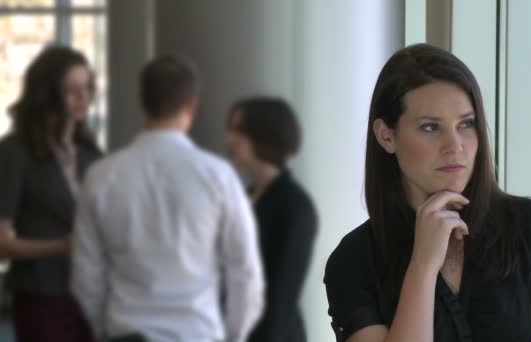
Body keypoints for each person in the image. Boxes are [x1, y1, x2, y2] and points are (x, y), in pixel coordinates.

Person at [323, 43, 531, 342]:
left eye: (466, 124)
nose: (455, 146)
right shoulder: (353, 261)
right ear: (386, 136)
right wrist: (423, 268)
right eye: (430, 127)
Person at [71, 55, 265, 342]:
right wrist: (234, 335)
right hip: (197, 332)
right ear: (192, 106)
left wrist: (105, 328)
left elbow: (86, 274)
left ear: (141, 101)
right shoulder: (218, 176)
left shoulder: (101, 176)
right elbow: (245, 271)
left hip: (126, 331)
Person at [0, 45, 100, 341]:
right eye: (72, 91)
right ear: (47, 95)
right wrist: (61, 245)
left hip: (91, 291)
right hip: (41, 295)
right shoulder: (15, 152)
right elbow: (3, 244)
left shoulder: (90, 153)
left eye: (87, 89)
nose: (84, 99)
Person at [226, 97, 318, 342]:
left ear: (263, 134)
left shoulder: (296, 206)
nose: (230, 140)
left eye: (239, 130)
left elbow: (282, 295)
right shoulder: (238, 197)